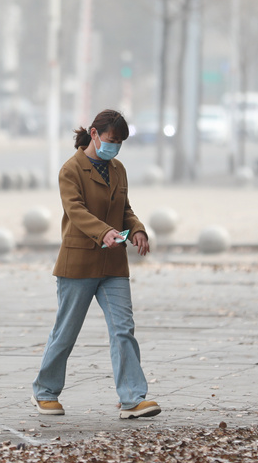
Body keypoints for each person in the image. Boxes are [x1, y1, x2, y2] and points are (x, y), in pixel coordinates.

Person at [31, 109, 161, 419]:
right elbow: (76, 211)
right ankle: (45, 391)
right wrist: (103, 232)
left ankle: (132, 398)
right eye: (111, 140)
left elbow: (125, 209)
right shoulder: (71, 170)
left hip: (114, 264)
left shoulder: (118, 170)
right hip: (79, 262)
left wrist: (138, 228)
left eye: (120, 142)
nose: (115, 146)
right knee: (66, 331)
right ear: (94, 134)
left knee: (123, 330)